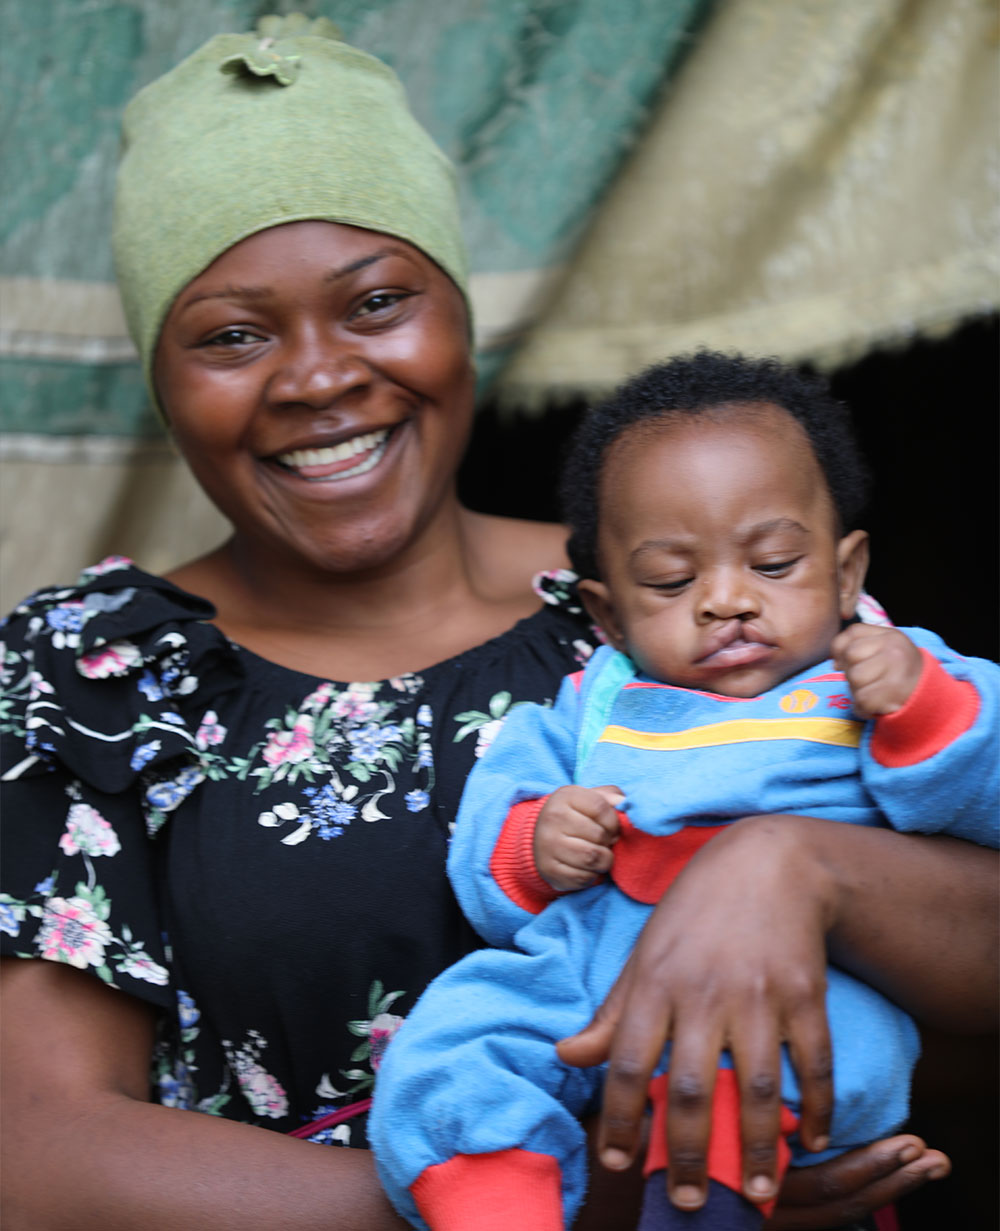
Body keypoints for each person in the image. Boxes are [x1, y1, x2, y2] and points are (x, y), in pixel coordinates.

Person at [0, 15, 993, 1231]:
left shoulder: (676, 598)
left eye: (375, 303)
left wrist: (796, 868)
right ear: (162, 379)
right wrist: (568, 1211)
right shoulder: (89, 670)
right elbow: (36, 1146)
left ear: (462, 320)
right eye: (232, 334)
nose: (316, 376)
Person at [369, 353, 999, 1231]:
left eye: (775, 563)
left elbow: (985, 804)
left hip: (791, 986)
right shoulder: (594, 704)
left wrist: (923, 711)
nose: (728, 600)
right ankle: (498, 1198)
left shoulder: (887, 669)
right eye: (672, 581)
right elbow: (490, 839)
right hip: (588, 971)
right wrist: (536, 840)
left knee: (743, 1079)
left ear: (848, 572)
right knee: (456, 1043)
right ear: (610, 614)